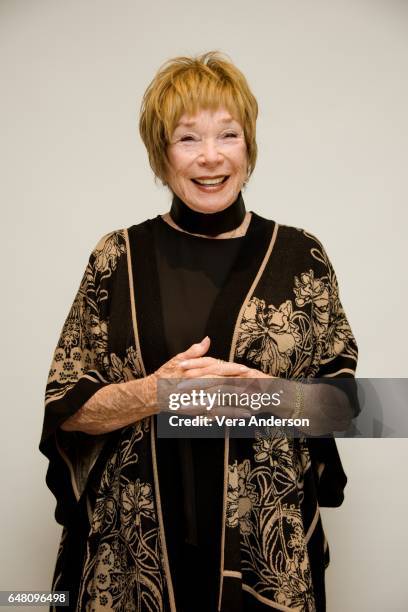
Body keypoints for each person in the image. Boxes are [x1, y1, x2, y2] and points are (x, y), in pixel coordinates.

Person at [40, 51, 359, 612]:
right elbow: (66, 409)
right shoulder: (116, 258)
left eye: (228, 135)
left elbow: (349, 408)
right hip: (132, 555)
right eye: (187, 139)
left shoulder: (300, 258)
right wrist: (157, 392)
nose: (210, 157)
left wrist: (260, 398)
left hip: (265, 554)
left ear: (249, 147)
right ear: (161, 157)